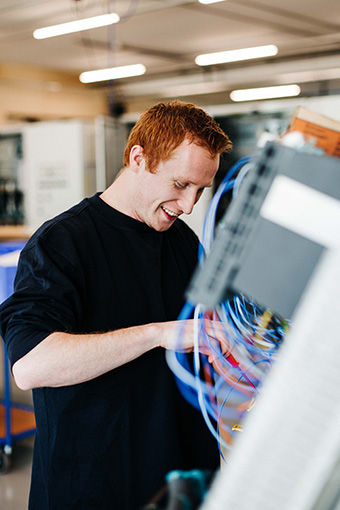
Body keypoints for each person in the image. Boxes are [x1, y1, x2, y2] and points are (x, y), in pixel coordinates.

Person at [0, 100, 232, 510]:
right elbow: (31, 366)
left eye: (201, 189)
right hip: (94, 485)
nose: (189, 205)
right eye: (180, 184)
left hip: (179, 482)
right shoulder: (61, 244)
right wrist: (158, 333)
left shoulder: (182, 241)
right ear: (139, 158)